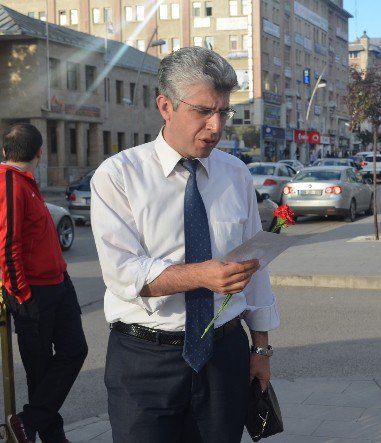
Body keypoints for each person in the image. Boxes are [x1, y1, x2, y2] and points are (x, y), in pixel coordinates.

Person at [91, 47, 279, 443]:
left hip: (223, 356)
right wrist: (203, 276)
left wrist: (260, 349)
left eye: (223, 112)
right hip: (145, 360)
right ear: (166, 106)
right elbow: (124, 272)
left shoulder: (235, 174)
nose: (215, 126)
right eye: (203, 111)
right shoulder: (119, 176)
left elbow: (254, 271)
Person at [0, 123, 88, 443]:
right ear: (40, 152)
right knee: (40, 370)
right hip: (33, 292)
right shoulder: (8, 181)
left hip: (58, 285)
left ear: (5, 150)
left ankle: (29, 420)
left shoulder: (25, 181)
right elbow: (7, 247)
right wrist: (22, 296)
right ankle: (52, 436)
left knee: (74, 351)